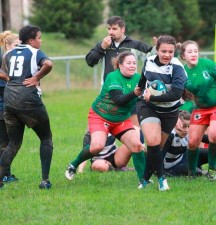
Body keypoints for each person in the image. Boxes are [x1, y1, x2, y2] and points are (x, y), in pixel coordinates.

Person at [84, 15, 154, 179]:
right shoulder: (104, 45)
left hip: (132, 95)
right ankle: (93, 160)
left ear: (123, 30)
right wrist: (101, 47)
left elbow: (152, 56)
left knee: (135, 131)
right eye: (109, 28)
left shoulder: (134, 45)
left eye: (114, 29)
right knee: (99, 132)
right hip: (109, 97)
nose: (111, 32)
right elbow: (90, 61)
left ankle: (133, 165)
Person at [65, 51, 144, 184]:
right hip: (100, 116)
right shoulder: (113, 77)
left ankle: (144, 181)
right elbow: (119, 100)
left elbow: (144, 97)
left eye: (134, 63)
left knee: (137, 145)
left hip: (120, 120)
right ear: (120, 65)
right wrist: (134, 93)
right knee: (97, 146)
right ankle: (73, 165)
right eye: (129, 63)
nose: (132, 66)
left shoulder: (138, 78)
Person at [0, 25, 53, 189]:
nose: (41, 41)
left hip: (9, 100)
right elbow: (49, 64)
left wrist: (11, 80)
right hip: (27, 99)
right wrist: (36, 77)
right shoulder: (34, 52)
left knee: (13, 144)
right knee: (46, 138)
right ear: (31, 40)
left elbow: (2, 71)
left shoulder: (8, 53)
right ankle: (44, 181)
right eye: (39, 38)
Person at [137, 35, 187, 191]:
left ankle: (144, 180)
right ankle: (162, 179)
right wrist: (140, 90)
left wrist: (153, 96)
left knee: (156, 148)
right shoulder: (149, 61)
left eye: (170, 52)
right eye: (163, 51)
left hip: (170, 112)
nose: (167, 55)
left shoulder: (177, 68)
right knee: (152, 141)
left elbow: (176, 95)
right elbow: (143, 78)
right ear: (156, 50)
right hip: (149, 107)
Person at [179, 40, 216, 181]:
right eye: (190, 52)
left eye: (195, 51)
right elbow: (179, 93)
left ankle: (212, 171)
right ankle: (191, 174)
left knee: (213, 135)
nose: (193, 54)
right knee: (193, 142)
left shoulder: (208, 64)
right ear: (183, 55)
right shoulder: (183, 72)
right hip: (200, 109)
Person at [0, 31, 20, 182]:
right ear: (7, 46)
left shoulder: (12, 61)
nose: (19, 49)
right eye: (16, 46)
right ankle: (5, 175)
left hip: (7, 108)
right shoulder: (4, 61)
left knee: (8, 142)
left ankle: (7, 174)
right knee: (5, 143)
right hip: (2, 109)